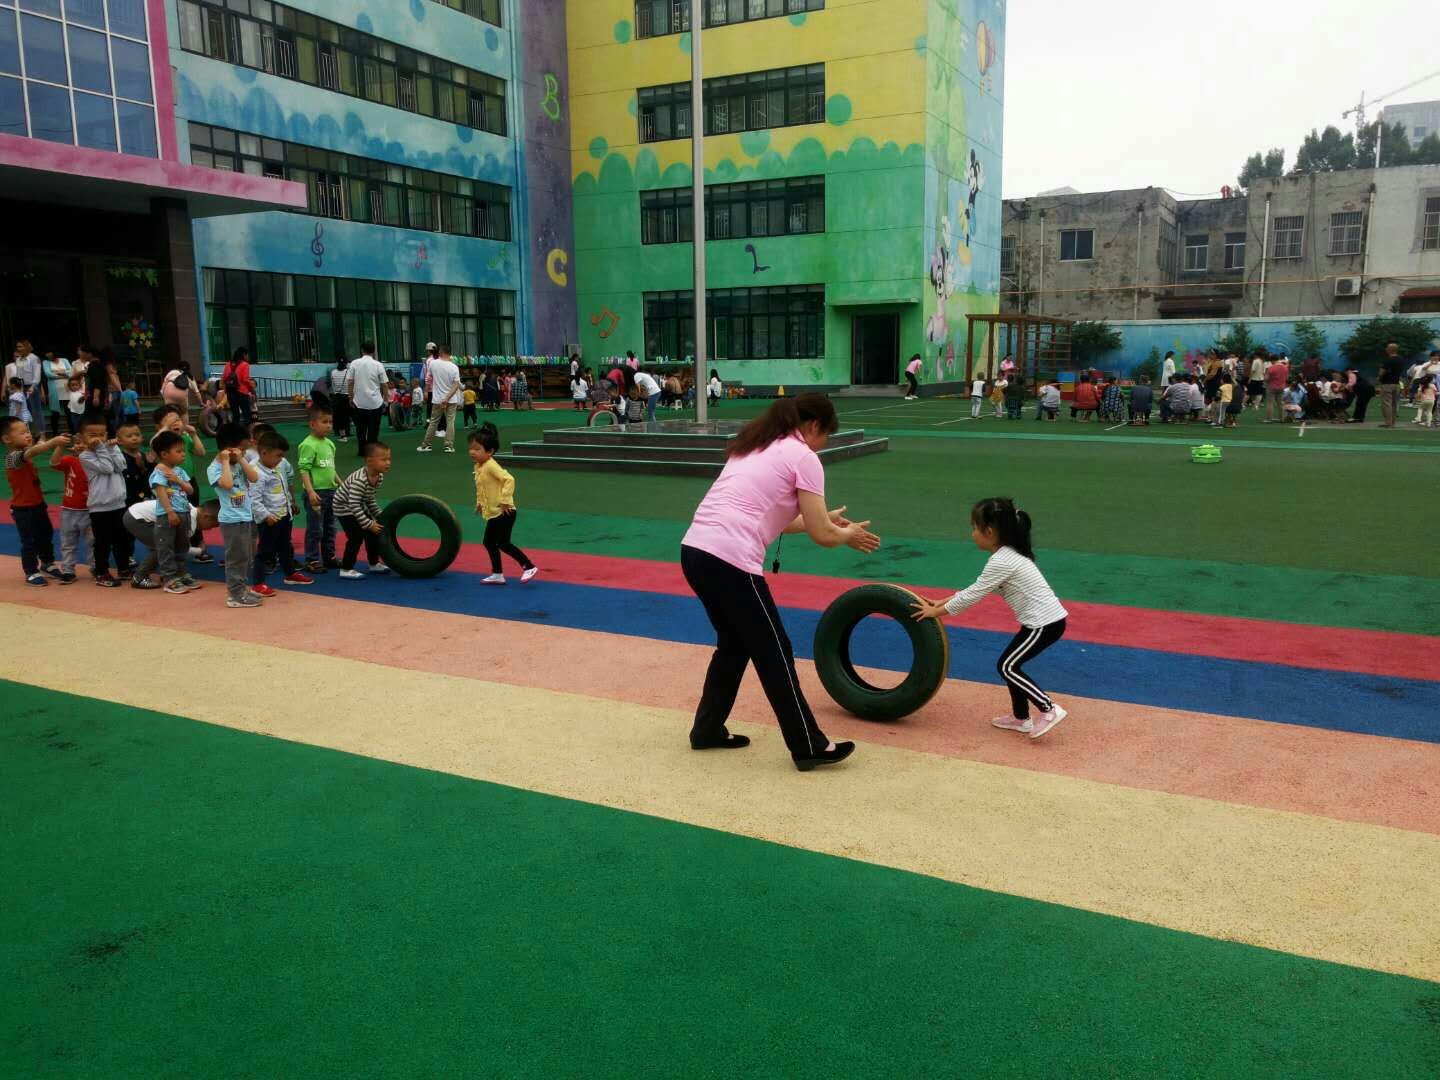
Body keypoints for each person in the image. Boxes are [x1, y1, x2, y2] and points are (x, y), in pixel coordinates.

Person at [680, 394, 881, 771]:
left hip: (695, 551)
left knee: (734, 645)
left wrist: (825, 520)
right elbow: (823, 535)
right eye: (827, 435)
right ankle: (808, 745)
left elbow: (775, 517)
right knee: (774, 650)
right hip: (730, 559)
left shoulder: (754, 445)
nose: (823, 444)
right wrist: (846, 534)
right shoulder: (803, 457)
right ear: (815, 426)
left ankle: (706, 729)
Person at [911, 497, 1069, 739]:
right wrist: (940, 602)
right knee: (1010, 665)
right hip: (1041, 622)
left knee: (1008, 666)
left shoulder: (1003, 560)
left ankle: (1049, 709)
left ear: (990, 532)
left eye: (975, 527)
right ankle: (1021, 718)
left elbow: (973, 595)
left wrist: (937, 612)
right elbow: (977, 588)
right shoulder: (1008, 555)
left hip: (1044, 624)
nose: (972, 533)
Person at [468, 422, 537, 585]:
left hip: (505, 512)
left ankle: (529, 566)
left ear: (490, 451)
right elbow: (482, 487)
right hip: (495, 512)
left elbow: (509, 479)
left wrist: (505, 501)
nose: (472, 452)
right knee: (489, 542)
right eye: (470, 448)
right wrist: (480, 503)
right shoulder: (479, 466)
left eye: (477, 449)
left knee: (503, 543)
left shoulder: (491, 466)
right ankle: (497, 574)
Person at [3, 418, 66, 585]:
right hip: (23, 509)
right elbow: (32, 452)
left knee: (45, 535)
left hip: (38, 504)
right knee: (29, 540)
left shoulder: (24, 452)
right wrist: (53, 442)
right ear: (7, 439)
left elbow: (34, 449)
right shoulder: (12, 458)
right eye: (23, 433)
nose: (28, 435)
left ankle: (47, 563)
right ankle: (31, 571)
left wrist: (45, 441)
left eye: (28, 431)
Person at [249, 431, 312, 595]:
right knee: (265, 551)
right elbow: (254, 499)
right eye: (278, 455)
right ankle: (258, 583)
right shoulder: (256, 472)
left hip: (284, 514)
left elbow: (284, 487)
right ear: (264, 453)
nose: (281, 459)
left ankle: (290, 574)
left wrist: (291, 504)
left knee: (285, 546)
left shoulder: (278, 465)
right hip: (270, 519)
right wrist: (265, 516)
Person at [208, 422, 261, 608]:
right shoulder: (215, 468)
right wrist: (225, 461)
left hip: (245, 516)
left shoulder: (239, 463)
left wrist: (241, 460)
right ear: (228, 449)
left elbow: (254, 477)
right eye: (241, 449)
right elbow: (228, 484)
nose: (243, 453)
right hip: (231, 520)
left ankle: (241, 588)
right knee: (236, 558)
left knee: (245, 556)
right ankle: (235, 595)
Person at [78, 413, 133, 586]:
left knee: (122, 539)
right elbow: (107, 468)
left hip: (119, 503)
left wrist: (112, 449)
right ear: (81, 437)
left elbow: (121, 466)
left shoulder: (110, 448)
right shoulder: (85, 456)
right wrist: (104, 448)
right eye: (92, 435)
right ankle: (101, 572)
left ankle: (123, 568)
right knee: (103, 542)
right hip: (100, 507)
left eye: (102, 434)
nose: (98, 439)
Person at [152, 405, 212, 563]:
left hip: (189, 481)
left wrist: (194, 434)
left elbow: (201, 452)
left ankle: (198, 546)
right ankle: (174, 551)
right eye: (170, 420)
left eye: (177, 419)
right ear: (159, 426)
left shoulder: (184, 438)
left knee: (194, 513)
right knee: (174, 517)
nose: (175, 422)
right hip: (170, 485)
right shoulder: (161, 441)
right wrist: (165, 428)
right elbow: (152, 446)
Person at [127, 498, 219, 591]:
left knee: (166, 545)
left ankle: (176, 574)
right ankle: (139, 577)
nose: (211, 529)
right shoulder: (188, 519)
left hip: (138, 514)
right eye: (213, 525)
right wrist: (199, 551)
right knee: (163, 547)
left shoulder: (191, 514)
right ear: (206, 517)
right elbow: (179, 547)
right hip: (137, 518)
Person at [334, 441, 392, 579]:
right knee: (356, 536)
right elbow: (353, 504)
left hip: (357, 505)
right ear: (370, 461)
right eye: (384, 460)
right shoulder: (360, 480)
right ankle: (346, 568)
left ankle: (374, 563)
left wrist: (381, 516)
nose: (388, 463)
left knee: (373, 533)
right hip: (343, 508)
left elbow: (370, 500)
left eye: (389, 459)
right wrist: (368, 524)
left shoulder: (379, 476)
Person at [148, 429, 196, 594]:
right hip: (168, 515)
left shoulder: (179, 471)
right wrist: (169, 512)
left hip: (184, 512)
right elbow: (161, 492)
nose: (183, 454)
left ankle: (181, 574)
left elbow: (190, 490)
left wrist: (178, 480)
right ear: (164, 454)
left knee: (182, 545)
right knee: (166, 547)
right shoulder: (160, 471)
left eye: (183, 451)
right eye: (179, 451)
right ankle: (169, 578)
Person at [299, 404, 340, 572]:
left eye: (330, 422)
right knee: (316, 528)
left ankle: (329, 557)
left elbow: (331, 468)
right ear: (312, 424)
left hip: (331, 491)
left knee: (331, 527)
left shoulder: (329, 444)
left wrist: (341, 483)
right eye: (324, 422)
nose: (329, 425)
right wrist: (310, 491)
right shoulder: (308, 445)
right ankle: (312, 560)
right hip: (316, 493)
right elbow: (304, 469)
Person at [49, 431, 91, 583]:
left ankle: (96, 567)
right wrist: (60, 446)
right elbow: (54, 463)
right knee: (67, 543)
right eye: (78, 443)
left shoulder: (96, 463)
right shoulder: (70, 460)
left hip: (90, 510)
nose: (80, 446)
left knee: (93, 542)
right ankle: (68, 570)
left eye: (84, 443)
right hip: (69, 510)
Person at [344, 343, 388, 454]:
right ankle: (372, 451)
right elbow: (384, 384)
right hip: (375, 402)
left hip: (359, 401)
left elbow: (350, 382)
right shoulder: (378, 365)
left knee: (360, 429)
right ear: (374, 351)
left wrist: (350, 397)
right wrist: (386, 399)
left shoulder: (354, 363)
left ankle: (362, 450)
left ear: (362, 350)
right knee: (374, 429)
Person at [418, 345, 463, 453]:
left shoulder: (433, 363)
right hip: (451, 399)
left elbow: (428, 379)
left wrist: (426, 391)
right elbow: (456, 385)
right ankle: (449, 446)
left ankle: (426, 445)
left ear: (441, 352)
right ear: (449, 353)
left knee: (433, 422)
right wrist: (447, 398)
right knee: (450, 422)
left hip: (437, 399)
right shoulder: (454, 367)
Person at [7, 340, 44, 438]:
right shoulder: (18, 360)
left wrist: (33, 387)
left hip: (32, 386)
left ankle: (42, 435)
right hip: (22, 387)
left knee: (36, 411)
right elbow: (18, 376)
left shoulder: (34, 358)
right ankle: (31, 434)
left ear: (27, 347)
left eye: (20, 346)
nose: (18, 349)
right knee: (26, 412)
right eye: (17, 347)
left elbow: (37, 374)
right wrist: (16, 389)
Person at [222, 347, 255, 428]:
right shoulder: (245, 364)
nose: (248, 357)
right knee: (246, 414)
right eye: (247, 355)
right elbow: (245, 379)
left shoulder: (228, 364)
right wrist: (252, 387)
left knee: (235, 414)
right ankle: (248, 431)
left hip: (230, 392)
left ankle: (235, 432)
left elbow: (224, 378)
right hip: (241, 392)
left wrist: (226, 390)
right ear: (244, 355)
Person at [1377, 343, 1406, 429]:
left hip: (1387, 384)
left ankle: (1388, 422)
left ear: (1390, 349)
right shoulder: (1401, 359)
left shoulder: (1387, 360)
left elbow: (1382, 372)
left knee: (1386, 404)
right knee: (1394, 404)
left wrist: (1378, 378)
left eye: (1387, 348)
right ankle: (1393, 422)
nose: (1386, 349)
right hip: (1396, 383)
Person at [44, 351, 71, 435]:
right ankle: (55, 433)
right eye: (46, 353)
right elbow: (48, 374)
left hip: (66, 389)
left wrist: (57, 373)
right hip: (54, 389)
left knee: (69, 411)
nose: (47, 354)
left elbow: (71, 372)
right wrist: (63, 374)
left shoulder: (64, 360)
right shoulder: (45, 362)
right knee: (55, 412)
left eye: (49, 352)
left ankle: (73, 432)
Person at [329, 356, 351, 442]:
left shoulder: (333, 372)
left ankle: (343, 436)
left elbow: (333, 384)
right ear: (346, 363)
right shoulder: (349, 372)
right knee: (349, 416)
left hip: (337, 396)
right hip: (348, 396)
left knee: (340, 416)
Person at [1263, 354, 1289, 423]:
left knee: (1270, 403)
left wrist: (1266, 377)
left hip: (1271, 387)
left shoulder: (1271, 368)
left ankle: (1269, 419)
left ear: (1272, 360)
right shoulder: (1285, 367)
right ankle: (1282, 418)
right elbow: (1287, 378)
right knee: (1280, 403)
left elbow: (1266, 378)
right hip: (1281, 387)